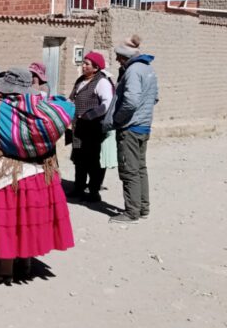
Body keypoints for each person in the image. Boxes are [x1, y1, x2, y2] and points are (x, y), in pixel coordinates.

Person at [0, 68, 75, 283]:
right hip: (39, 174)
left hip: (7, 176)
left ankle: (4, 269)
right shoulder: (48, 112)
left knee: (9, 221)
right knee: (27, 219)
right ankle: (25, 263)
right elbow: (68, 108)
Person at [105, 35, 159, 224]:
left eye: (119, 57)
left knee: (129, 170)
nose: (118, 60)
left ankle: (131, 212)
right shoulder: (147, 68)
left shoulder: (133, 71)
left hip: (131, 128)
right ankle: (143, 207)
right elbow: (155, 97)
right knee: (140, 168)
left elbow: (131, 101)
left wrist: (118, 120)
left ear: (125, 56)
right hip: (143, 126)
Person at [67, 52, 114, 203]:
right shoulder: (80, 80)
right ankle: (79, 187)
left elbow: (107, 103)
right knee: (79, 158)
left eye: (87, 64)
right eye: (84, 63)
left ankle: (94, 191)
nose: (84, 66)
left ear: (96, 68)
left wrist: (91, 115)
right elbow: (72, 98)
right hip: (78, 128)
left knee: (93, 160)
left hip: (93, 128)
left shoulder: (102, 82)